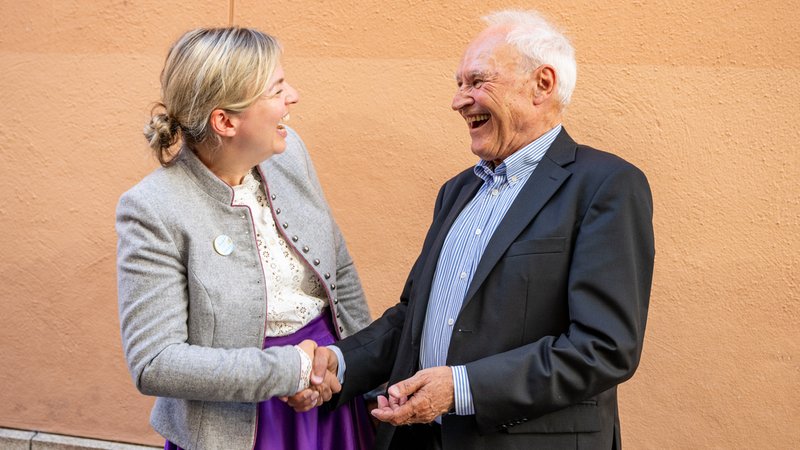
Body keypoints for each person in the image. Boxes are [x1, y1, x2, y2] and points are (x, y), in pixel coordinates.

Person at [293, 9, 655, 450]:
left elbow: (604, 348)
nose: (459, 100)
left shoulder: (605, 185)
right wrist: (337, 362)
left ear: (542, 84)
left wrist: (461, 388)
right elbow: (411, 319)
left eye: (477, 81)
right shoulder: (457, 191)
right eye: (459, 84)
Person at [116, 27, 374, 450]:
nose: (294, 95)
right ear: (225, 121)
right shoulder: (152, 208)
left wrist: (360, 372)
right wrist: (290, 370)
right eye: (277, 89)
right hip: (234, 424)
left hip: (330, 391)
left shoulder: (291, 155)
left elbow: (339, 274)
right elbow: (155, 362)